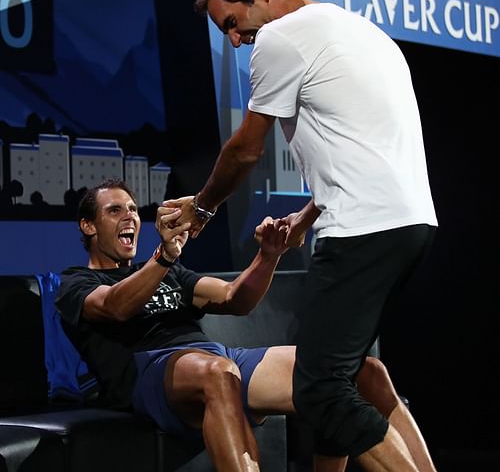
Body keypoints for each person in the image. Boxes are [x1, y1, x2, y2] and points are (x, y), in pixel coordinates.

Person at [171, 0, 438, 472]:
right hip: (410, 224)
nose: (234, 38)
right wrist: (307, 216)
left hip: (362, 230)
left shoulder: (279, 37)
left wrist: (201, 209)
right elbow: (364, 147)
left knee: (316, 390)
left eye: (231, 21)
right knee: (344, 377)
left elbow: (245, 149)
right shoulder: (360, 31)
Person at [57, 179, 436, 472]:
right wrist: (164, 256)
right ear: (88, 226)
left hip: (217, 358)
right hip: (150, 371)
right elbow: (115, 307)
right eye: (114, 211)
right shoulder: (77, 282)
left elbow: (235, 298)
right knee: (218, 373)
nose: (130, 217)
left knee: (358, 372)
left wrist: (269, 255)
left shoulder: (167, 271)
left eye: (133, 209)